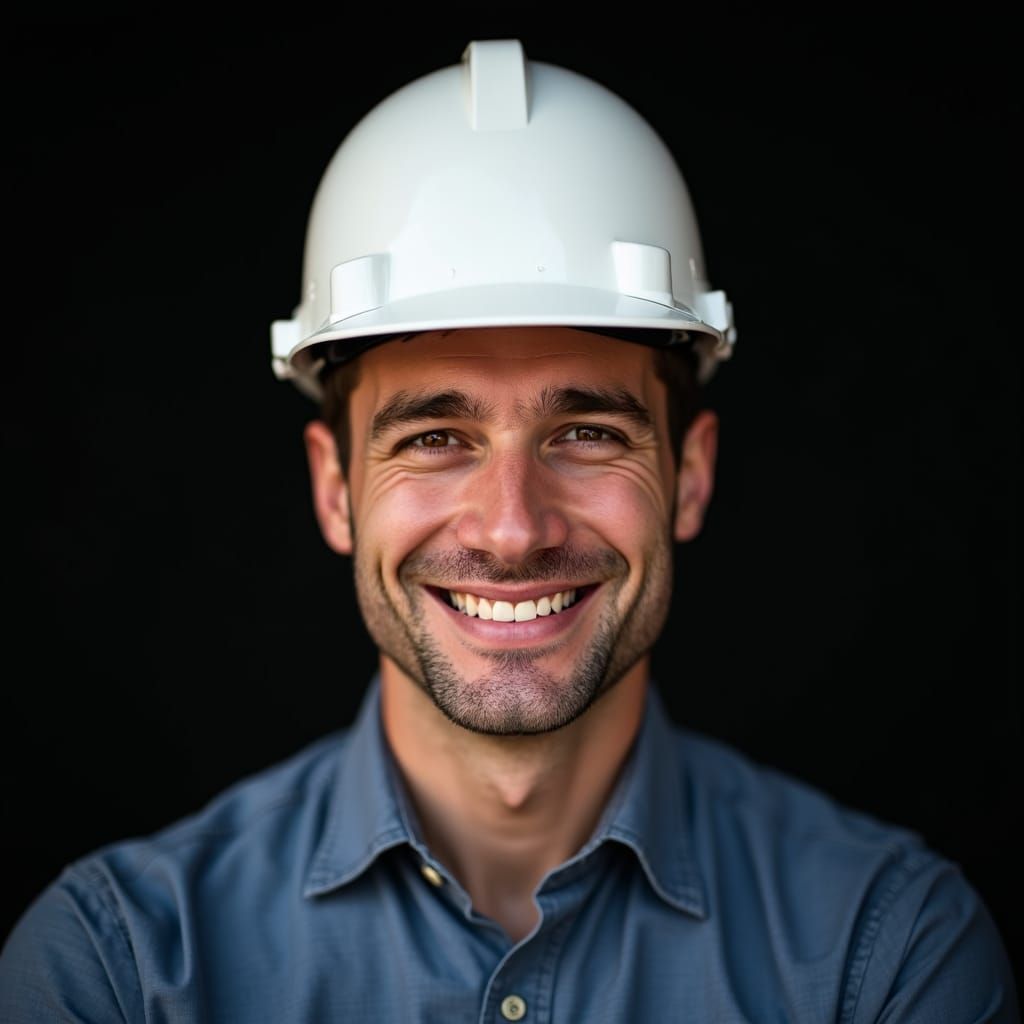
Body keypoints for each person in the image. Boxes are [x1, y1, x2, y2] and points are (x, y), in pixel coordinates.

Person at [1, 38, 1017, 1023]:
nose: (511, 527)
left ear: (690, 473)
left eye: (585, 432)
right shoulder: (121, 970)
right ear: (335, 490)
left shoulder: (882, 952)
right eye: (436, 437)